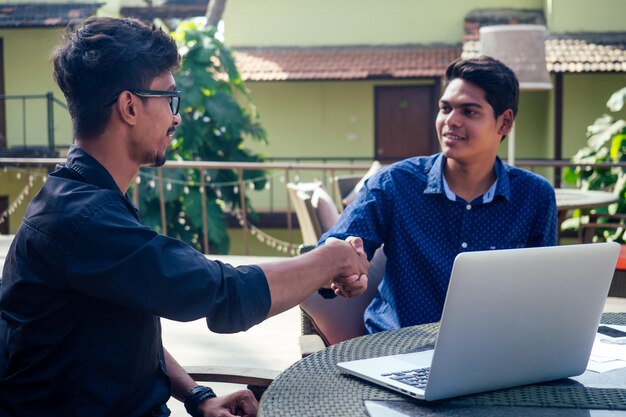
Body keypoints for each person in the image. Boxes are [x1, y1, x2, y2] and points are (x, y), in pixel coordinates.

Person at [0, 17, 369, 417]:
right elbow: (225, 294)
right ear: (129, 106)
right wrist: (330, 258)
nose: (176, 118)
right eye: (169, 100)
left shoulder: (80, 199)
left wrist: (197, 396)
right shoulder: (85, 220)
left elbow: (122, 332)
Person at [320, 56, 557, 334]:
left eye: (469, 112)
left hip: (493, 350)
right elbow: (334, 250)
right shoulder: (395, 183)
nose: (451, 121)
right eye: (445, 108)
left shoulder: (535, 196)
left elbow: (543, 292)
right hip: (396, 349)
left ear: (504, 123)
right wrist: (341, 271)